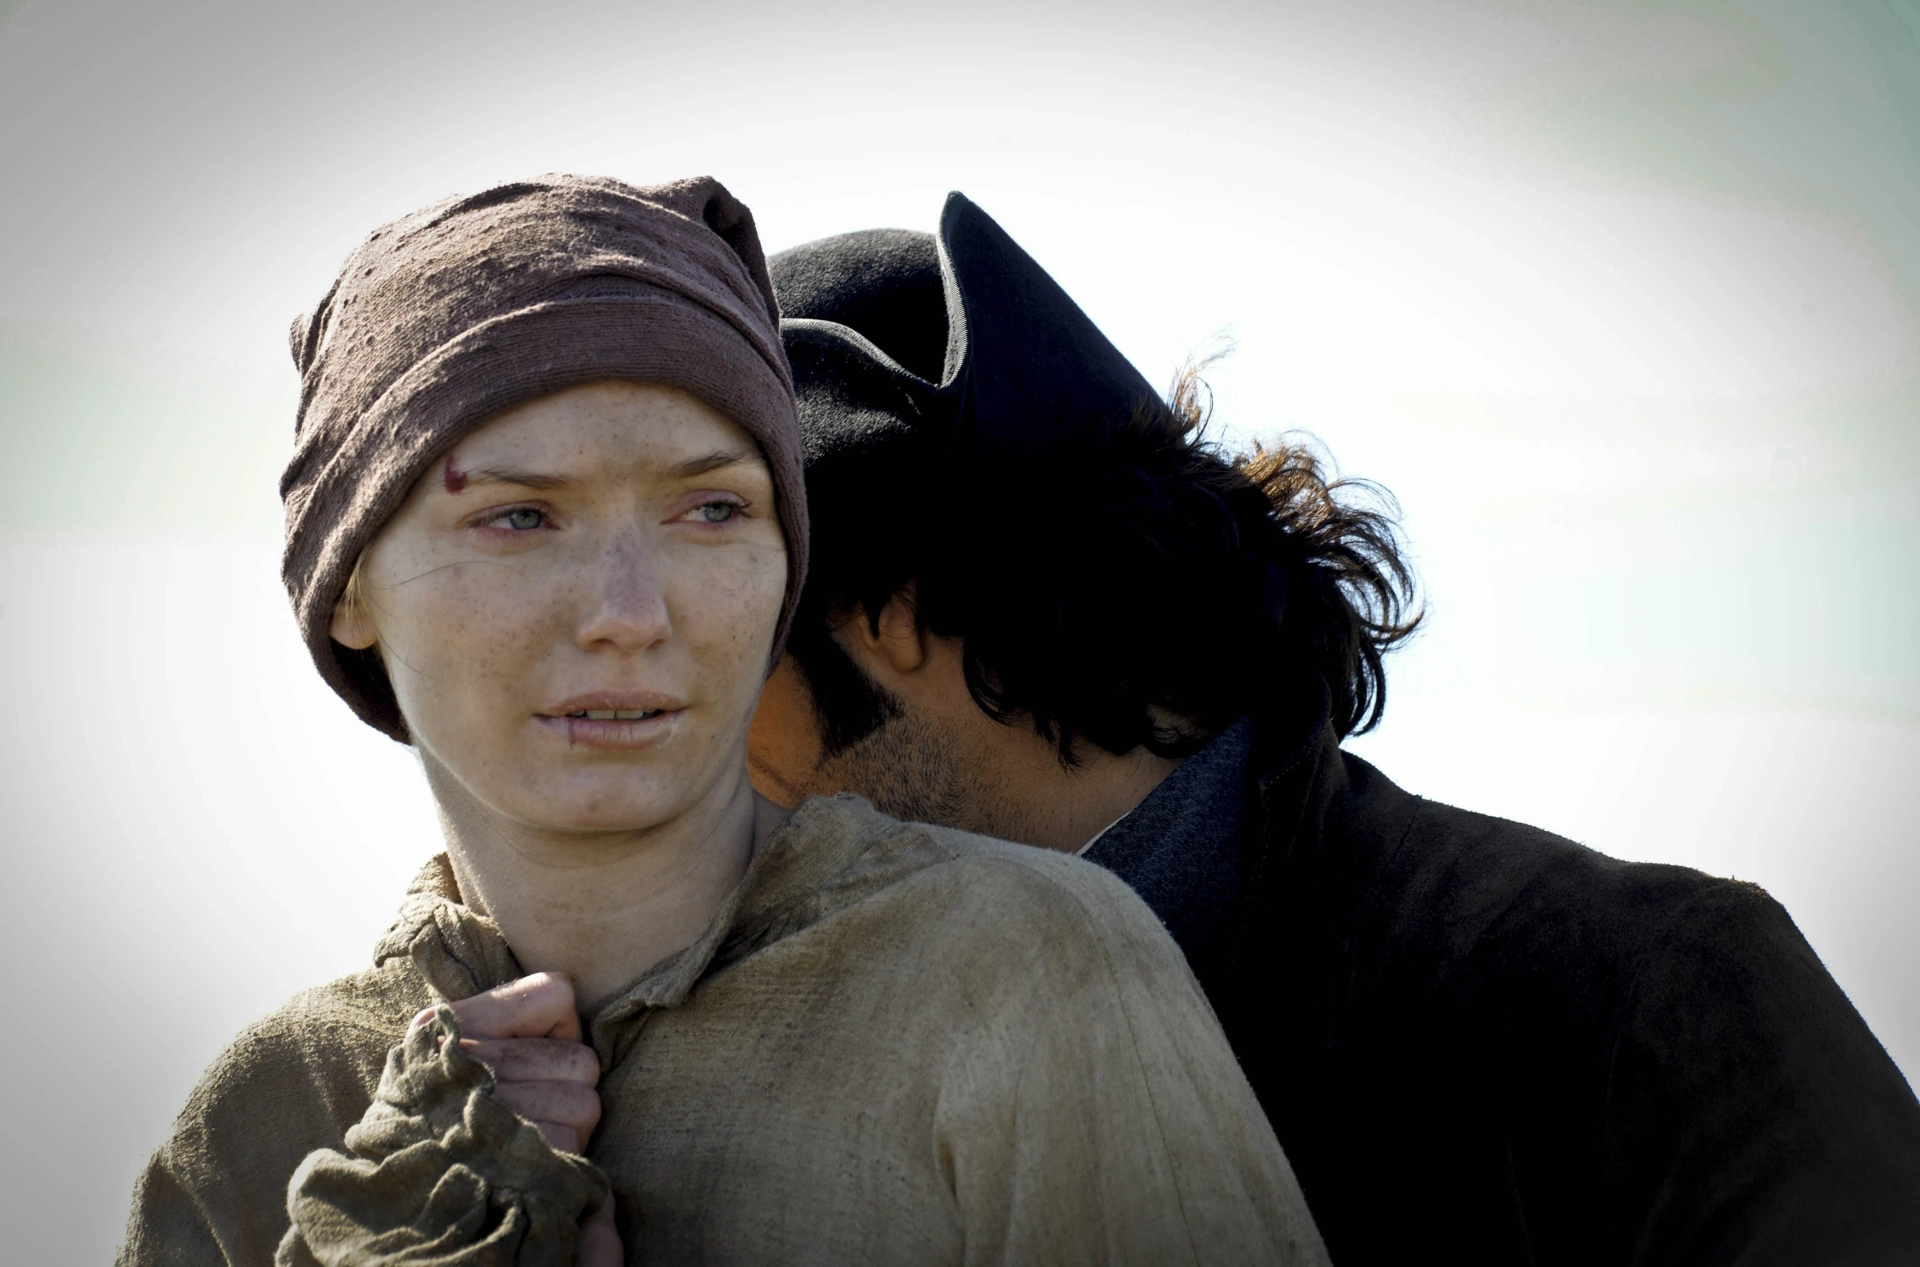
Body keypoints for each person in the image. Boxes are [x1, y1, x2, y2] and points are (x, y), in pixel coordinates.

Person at [117, 175, 1331, 1266]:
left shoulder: (1024, 978)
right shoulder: (267, 1114)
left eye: (711, 510)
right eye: (518, 518)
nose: (629, 612)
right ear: (349, 591)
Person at [748, 192, 1920, 1265]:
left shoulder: (1644, 1003)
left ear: (889, 613)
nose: (670, 752)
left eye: (721, 658)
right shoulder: (782, 1083)